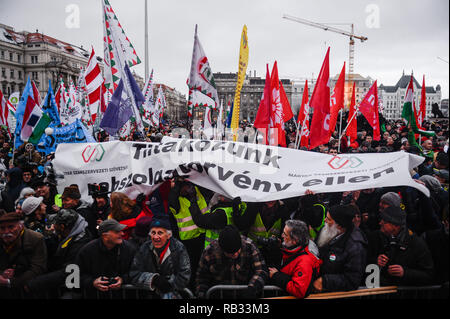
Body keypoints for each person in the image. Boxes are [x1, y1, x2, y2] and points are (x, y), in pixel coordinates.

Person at [26, 209, 92, 298]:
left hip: (74, 287)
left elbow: (67, 272)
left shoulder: (80, 245)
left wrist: (36, 283)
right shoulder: (66, 235)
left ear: (62, 226)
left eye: (55, 224)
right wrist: (50, 236)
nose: (53, 226)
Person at [367, 206, 434, 286]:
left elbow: (429, 275)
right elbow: (364, 261)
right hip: (381, 290)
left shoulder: (416, 243)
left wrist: (405, 273)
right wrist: (375, 261)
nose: (380, 223)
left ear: (396, 226)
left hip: (405, 292)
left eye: (384, 221)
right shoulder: (376, 237)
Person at [196, 225, 268, 299]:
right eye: (231, 253)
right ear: (222, 249)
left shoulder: (249, 247)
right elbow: (201, 278)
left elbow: (261, 270)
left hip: (245, 295)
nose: (236, 255)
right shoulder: (210, 251)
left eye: (237, 251)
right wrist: (202, 294)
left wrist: (252, 289)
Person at [130, 216, 191, 299]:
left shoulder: (179, 248)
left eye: (160, 233)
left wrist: (168, 285)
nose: (156, 237)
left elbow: (185, 275)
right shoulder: (144, 248)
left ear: (168, 235)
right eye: (153, 233)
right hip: (150, 295)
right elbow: (134, 274)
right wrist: (153, 279)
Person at [76, 219, 136, 298]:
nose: (122, 233)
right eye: (117, 232)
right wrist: (92, 282)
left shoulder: (129, 249)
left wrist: (123, 280)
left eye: (121, 231)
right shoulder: (87, 251)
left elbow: (135, 271)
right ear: (105, 236)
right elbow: (75, 276)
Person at [313, 204, 367, 292]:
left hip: (334, 293)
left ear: (339, 226)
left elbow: (352, 280)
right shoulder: (327, 229)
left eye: (329, 219)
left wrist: (325, 281)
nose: (325, 220)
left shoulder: (355, 246)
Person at [268, 220, 322, 299]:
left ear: (295, 241)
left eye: (285, 234)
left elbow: (299, 290)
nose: (282, 236)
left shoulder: (305, 262)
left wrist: (277, 276)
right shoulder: (298, 246)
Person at [0, 212, 47, 298]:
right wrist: (2, 273)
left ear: (20, 226)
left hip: (27, 286)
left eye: (11, 227)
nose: (6, 232)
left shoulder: (36, 239)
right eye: (2, 228)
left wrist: (10, 282)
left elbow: (38, 267)